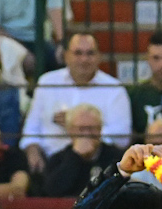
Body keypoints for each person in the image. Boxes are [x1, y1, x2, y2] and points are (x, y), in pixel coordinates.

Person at [20, 32, 132, 176]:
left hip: (98, 166)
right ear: (66, 56)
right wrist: (32, 150)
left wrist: (81, 128)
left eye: (90, 53)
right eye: (78, 53)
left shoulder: (114, 89)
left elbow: (122, 136)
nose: (84, 59)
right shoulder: (47, 82)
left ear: (99, 57)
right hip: (51, 165)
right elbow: (30, 130)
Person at [43, 103, 123, 198]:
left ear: (100, 129)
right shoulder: (57, 160)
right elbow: (52, 192)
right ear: (70, 130)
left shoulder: (116, 157)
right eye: (81, 129)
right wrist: (75, 156)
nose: (86, 134)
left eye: (91, 128)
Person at [0, 0, 64, 73]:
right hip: (7, 39)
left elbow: (55, 10)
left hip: (37, 39)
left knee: (59, 60)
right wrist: (21, 51)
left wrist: (62, 43)